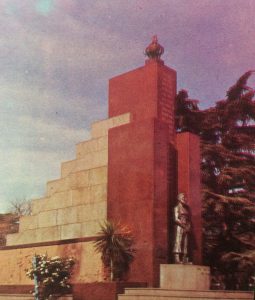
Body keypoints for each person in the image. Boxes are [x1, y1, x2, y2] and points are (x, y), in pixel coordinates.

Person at [172, 193, 192, 263]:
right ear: (179, 199)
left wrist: (188, 226)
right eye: (183, 197)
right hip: (179, 227)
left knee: (185, 242)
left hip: (185, 227)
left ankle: (184, 258)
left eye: (185, 198)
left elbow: (188, 219)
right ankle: (177, 258)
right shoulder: (176, 208)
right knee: (178, 240)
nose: (184, 199)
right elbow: (176, 219)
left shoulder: (186, 209)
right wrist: (183, 225)